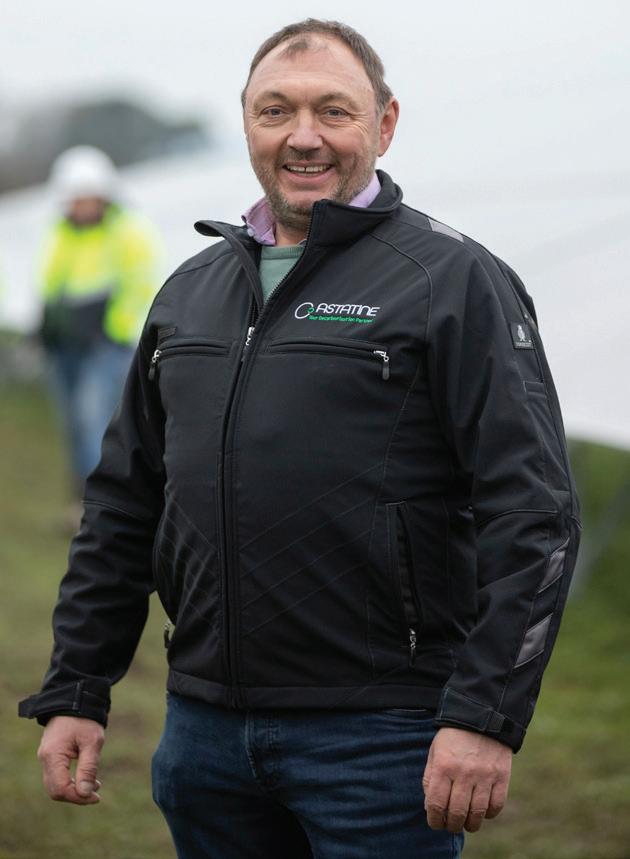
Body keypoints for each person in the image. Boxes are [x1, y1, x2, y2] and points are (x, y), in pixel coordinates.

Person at [19, 19, 581, 859]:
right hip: (204, 734)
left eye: (334, 110)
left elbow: (534, 512)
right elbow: (123, 505)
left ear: (384, 123)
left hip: (379, 738)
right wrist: (77, 685)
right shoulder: (189, 293)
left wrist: (484, 715)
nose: (303, 136)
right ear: (248, 122)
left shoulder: (453, 280)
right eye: (276, 110)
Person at [37, 145, 163, 505]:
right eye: (76, 198)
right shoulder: (62, 232)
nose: (82, 205)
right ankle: (81, 497)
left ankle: (101, 504)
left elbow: (140, 284)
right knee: (72, 422)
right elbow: (51, 281)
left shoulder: (128, 230)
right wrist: (45, 324)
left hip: (106, 345)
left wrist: (112, 329)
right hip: (66, 344)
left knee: (94, 418)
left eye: (88, 197)